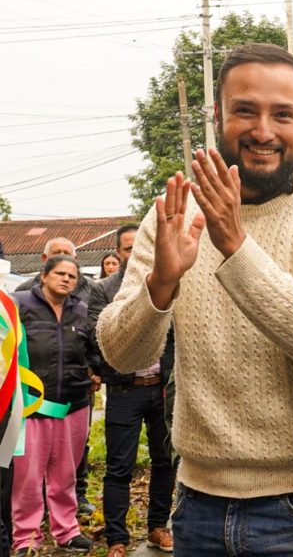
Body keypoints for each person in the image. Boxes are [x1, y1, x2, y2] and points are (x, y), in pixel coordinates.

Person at [96, 43, 293, 556]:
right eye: (245, 110)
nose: (263, 131)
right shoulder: (172, 214)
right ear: (219, 118)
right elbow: (121, 354)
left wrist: (233, 244)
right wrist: (160, 285)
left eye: (282, 115)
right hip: (198, 505)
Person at [90, 224, 175, 557]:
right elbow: (95, 338)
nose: (135, 253)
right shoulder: (104, 289)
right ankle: (117, 540)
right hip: (125, 390)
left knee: (164, 462)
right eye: (128, 248)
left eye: (142, 246)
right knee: (119, 468)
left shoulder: (171, 283)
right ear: (119, 252)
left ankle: (157, 527)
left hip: (161, 390)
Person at [10, 255, 95, 555]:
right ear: (43, 276)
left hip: (73, 403)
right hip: (32, 406)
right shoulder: (18, 305)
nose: (66, 280)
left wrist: (96, 371)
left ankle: (67, 531)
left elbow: (94, 350)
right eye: (60, 273)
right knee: (28, 477)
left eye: (72, 276)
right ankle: (26, 538)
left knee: (66, 475)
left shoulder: (83, 311)